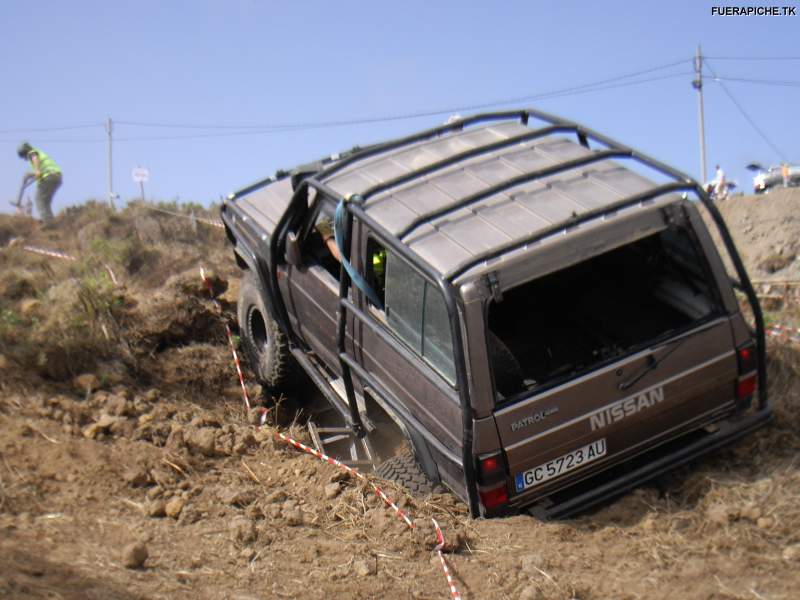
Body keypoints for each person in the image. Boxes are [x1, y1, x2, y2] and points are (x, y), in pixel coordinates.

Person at [17, 142, 62, 222]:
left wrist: (36, 171)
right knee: (45, 202)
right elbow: (41, 172)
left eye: (23, 156)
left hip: (48, 177)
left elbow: (34, 158)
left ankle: (49, 223)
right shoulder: (40, 154)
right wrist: (29, 175)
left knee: (39, 200)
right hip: (56, 176)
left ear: (25, 151)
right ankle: (51, 222)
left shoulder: (32, 153)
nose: (25, 158)